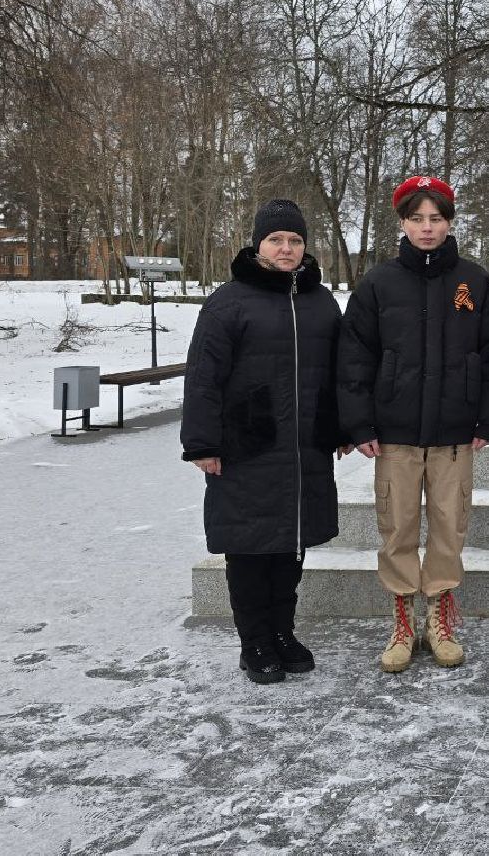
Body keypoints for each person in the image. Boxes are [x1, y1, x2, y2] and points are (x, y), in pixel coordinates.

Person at [338, 176, 489, 674]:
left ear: (449, 222)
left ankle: (441, 617)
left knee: (450, 527)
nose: (427, 228)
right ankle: (403, 619)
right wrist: (360, 423)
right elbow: (354, 358)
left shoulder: (473, 282)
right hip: (396, 434)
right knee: (398, 527)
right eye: (417, 219)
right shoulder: (378, 284)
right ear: (403, 223)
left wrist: (487, 417)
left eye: (436, 218)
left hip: (455, 433)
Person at [181, 199, 343, 685]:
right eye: (276, 240)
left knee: (290, 545)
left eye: (295, 240)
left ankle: (282, 632)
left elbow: (338, 374)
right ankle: (254, 640)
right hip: (247, 446)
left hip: (303, 447)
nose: (287, 248)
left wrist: (339, 428)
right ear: (258, 245)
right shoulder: (229, 301)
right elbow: (203, 376)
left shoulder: (320, 301)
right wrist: (202, 443)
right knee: (250, 547)